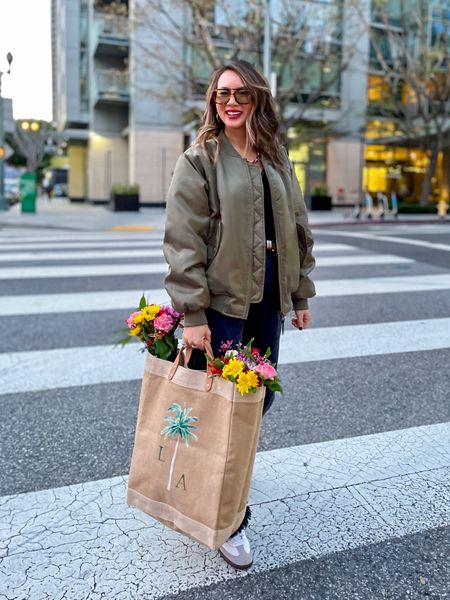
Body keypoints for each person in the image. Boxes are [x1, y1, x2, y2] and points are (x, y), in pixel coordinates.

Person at [163, 60, 316, 569]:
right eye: (221, 94)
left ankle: (228, 468)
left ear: (257, 101)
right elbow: (183, 241)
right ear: (212, 101)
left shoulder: (275, 157)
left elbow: (296, 227)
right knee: (225, 406)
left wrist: (299, 295)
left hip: (266, 301)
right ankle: (229, 518)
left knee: (253, 402)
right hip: (222, 306)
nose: (229, 102)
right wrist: (192, 313)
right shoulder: (200, 159)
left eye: (241, 94)